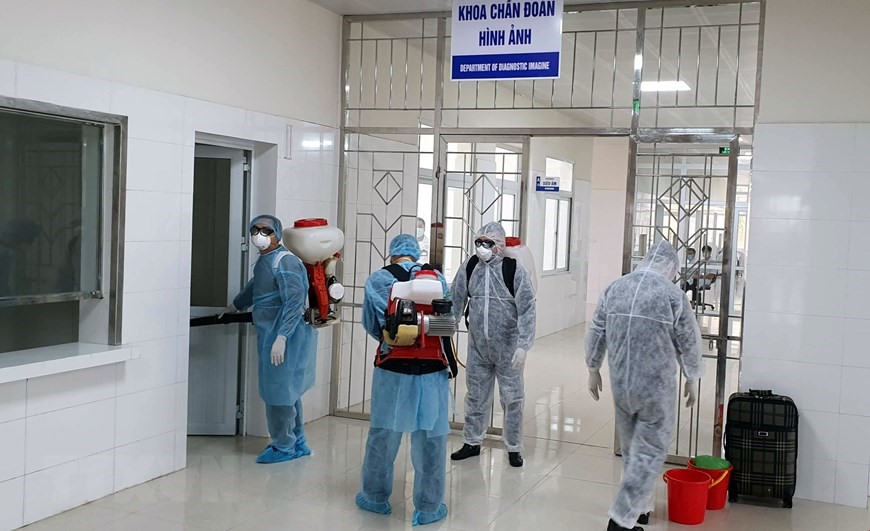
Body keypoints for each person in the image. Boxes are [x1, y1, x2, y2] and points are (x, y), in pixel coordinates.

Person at [586, 240, 703, 531]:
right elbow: (688, 340)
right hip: (655, 389)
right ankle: (621, 519)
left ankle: (642, 508)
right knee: (649, 454)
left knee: (632, 451)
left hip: (622, 385)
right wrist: (692, 376)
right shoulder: (672, 295)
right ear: (671, 267)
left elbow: (597, 330)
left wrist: (593, 368)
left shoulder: (615, 288)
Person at [355, 234, 451, 526]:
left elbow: (372, 325)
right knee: (431, 439)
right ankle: (429, 507)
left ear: (392, 253)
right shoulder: (436, 278)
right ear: (416, 253)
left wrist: (397, 340)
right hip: (432, 370)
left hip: (393, 370)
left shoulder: (378, 280)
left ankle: (374, 497)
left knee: (383, 435)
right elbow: (448, 322)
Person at [226, 215, 317, 464]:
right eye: (255, 230)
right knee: (287, 391)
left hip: (286, 335)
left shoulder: (285, 261)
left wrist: (282, 337)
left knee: (279, 392)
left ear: (277, 233)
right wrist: (235, 306)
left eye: (266, 231)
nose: (259, 235)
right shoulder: (266, 261)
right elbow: (256, 287)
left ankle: (283, 446)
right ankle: (296, 441)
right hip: (271, 333)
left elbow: (294, 301)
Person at [450, 222, 536, 468]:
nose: (482, 248)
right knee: (476, 395)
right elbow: (456, 298)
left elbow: (527, 308)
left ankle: (514, 447)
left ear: (498, 245)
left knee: (512, 398)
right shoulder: (470, 267)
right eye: (478, 243)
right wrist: (448, 328)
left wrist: (523, 345)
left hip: (508, 347)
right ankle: (472, 442)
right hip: (478, 346)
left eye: (487, 243)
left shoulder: (513, 269)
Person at [0, 219, 39, 297]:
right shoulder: (4, 255)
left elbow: (3, 286)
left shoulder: (8, 254)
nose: (28, 246)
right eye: (29, 240)